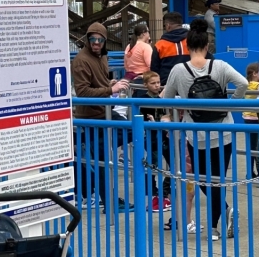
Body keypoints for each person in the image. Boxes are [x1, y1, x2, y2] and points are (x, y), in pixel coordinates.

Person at [162, 17, 248, 240]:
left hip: (195, 132)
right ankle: (216, 225)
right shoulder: (220, 65)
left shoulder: (178, 70)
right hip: (224, 130)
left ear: (187, 46)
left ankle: (222, 215)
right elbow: (244, 84)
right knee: (219, 178)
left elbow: (166, 99)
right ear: (208, 46)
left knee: (202, 179)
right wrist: (231, 104)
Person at [71, 22, 133, 211]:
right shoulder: (81, 60)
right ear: (88, 40)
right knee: (102, 159)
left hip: (103, 111)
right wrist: (110, 89)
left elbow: (96, 82)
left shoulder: (102, 55)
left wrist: (108, 82)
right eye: (92, 39)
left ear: (105, 41)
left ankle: (108, 199)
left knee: (129, 132)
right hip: (92, 116)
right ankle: (109, 201)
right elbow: (82, 92)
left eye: (99, 40)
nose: (96, 43)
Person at [133, 71, 171, 211]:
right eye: (153, 83)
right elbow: (141, 119)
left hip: (163, 136)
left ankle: (164, 190)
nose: (157, 86)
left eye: (158, 82)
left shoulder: (161, 99)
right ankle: (152, 190)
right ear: (145, 85)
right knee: (152, 164)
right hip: (151, 137)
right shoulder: (144, 100)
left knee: (173, 163)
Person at [152, 12, 190, 85]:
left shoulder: (160, 45)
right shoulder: (192, 41)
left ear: (168, 26)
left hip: (166, 85)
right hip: (189, 83)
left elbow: (154, 69)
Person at [243, 62, 259, 177]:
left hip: (247, 118)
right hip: (255, 118)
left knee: (251, 147)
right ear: (255, 74)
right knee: (258, 146)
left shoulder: (247, 85)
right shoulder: (256, 86)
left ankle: (250, 172)